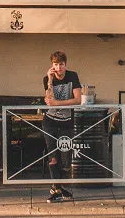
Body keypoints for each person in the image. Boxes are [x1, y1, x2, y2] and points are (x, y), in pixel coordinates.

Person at [42, 51, 81, 203]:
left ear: (66, 64)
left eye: (61, 64)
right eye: (56, 65)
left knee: (66, 157)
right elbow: (48, 99)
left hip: (67, 122)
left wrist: (57, 103)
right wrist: (50, 80)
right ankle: (56, 189)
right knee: (53, 157)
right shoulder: (47, 78)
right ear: (52, 65)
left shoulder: (72, 76)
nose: (59, 68)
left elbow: (77, 99)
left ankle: (59, 187)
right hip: (50, 121)